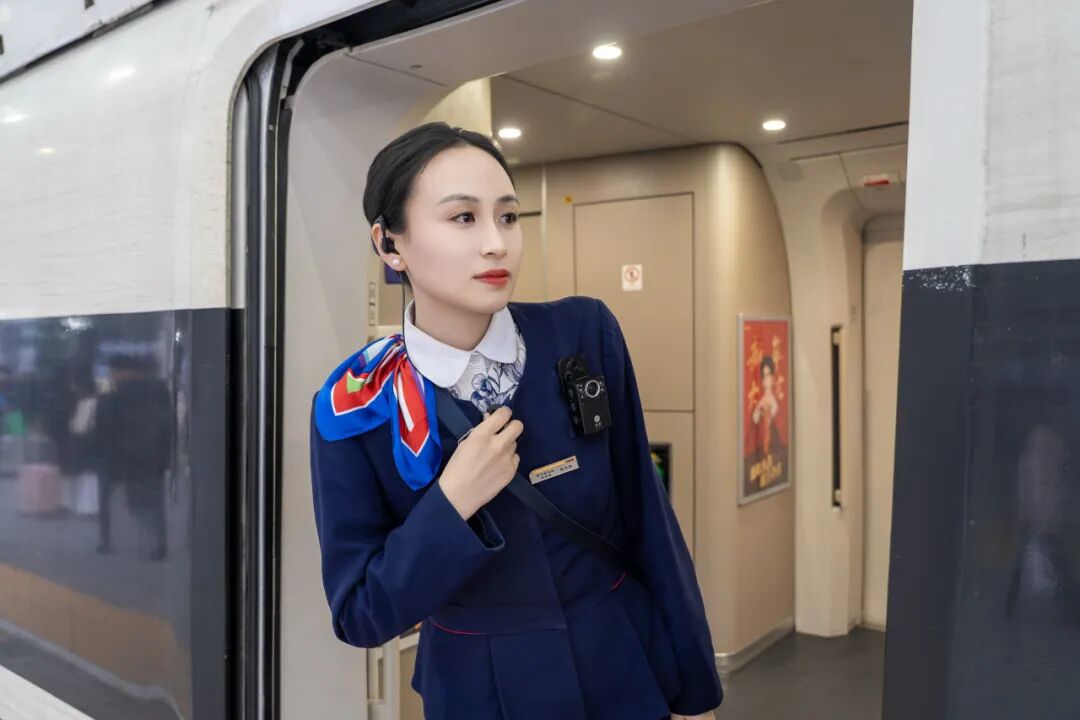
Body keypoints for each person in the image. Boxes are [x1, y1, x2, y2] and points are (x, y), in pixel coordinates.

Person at [309, 122, 722, 720]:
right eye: (463, 218)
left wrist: (695, 691)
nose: (496, 243)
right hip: (482, 692)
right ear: (389, 244)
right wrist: (451, 504)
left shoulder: (582, 333)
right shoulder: (355, 404)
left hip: (623, 665)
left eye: (508, 217)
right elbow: (360, 613)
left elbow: (650, 522)